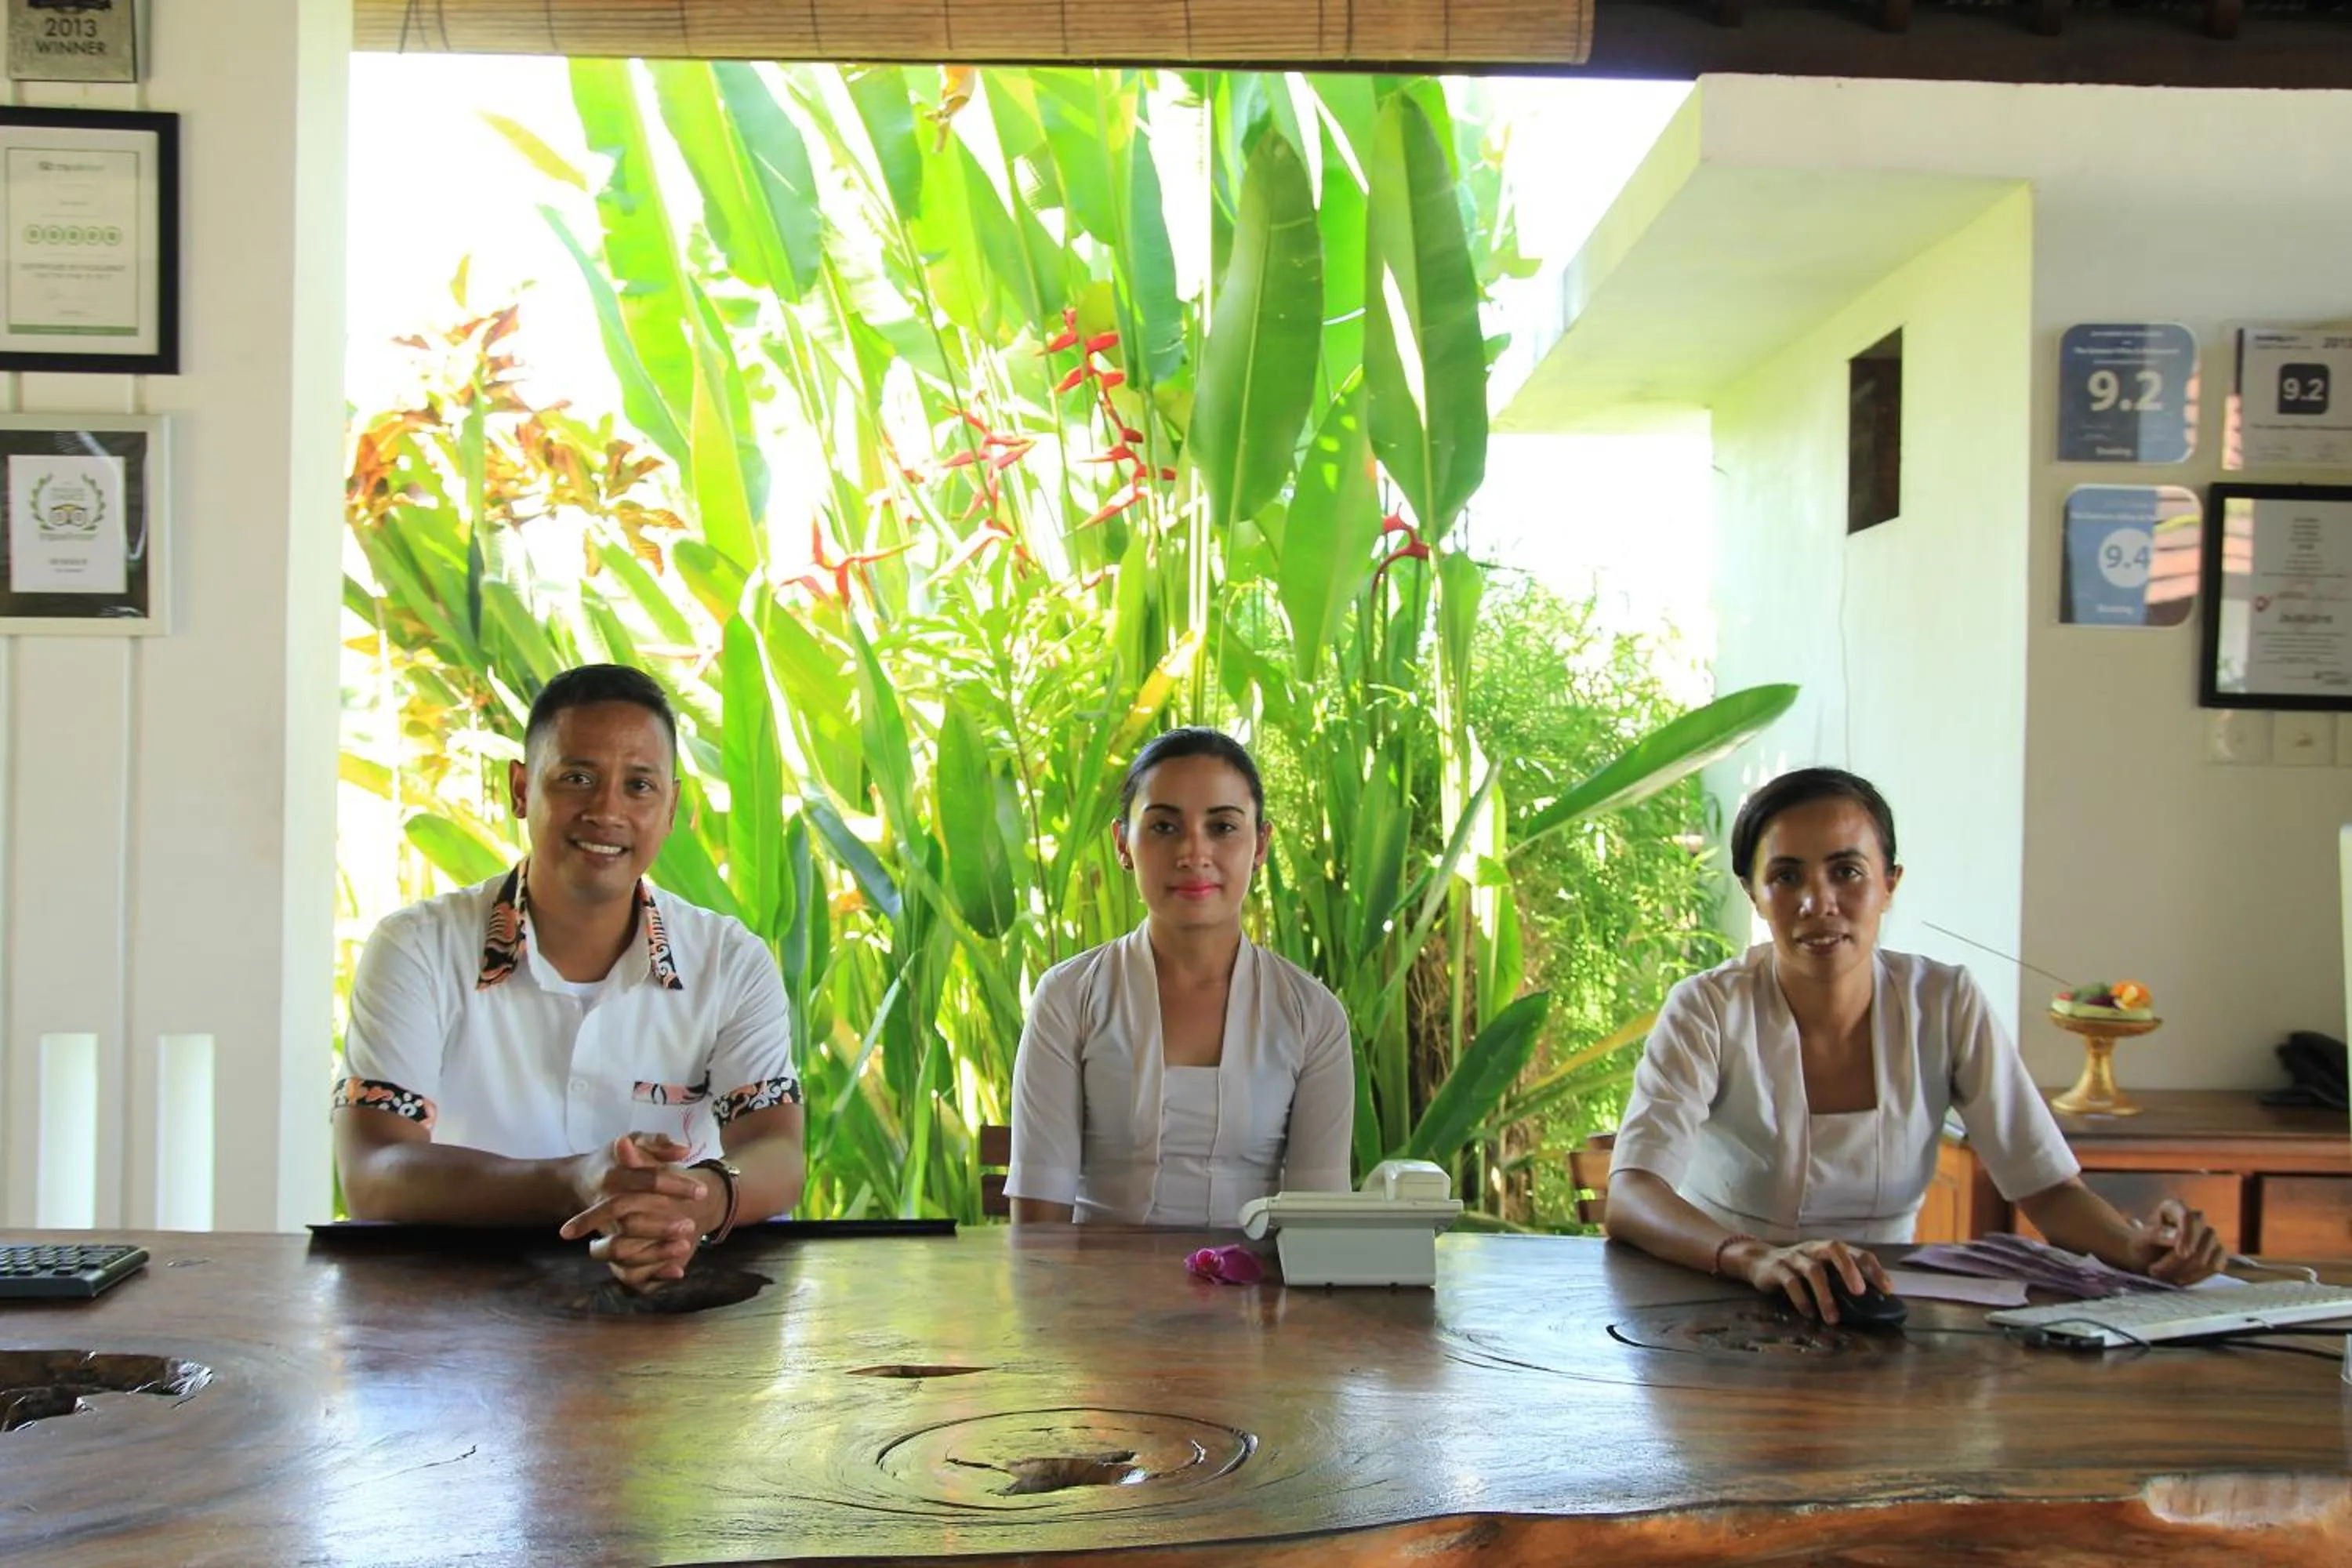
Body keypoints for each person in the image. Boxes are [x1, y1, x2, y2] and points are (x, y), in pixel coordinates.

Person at [1606, 767, 2223, 1319]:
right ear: (1753, 893)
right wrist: (1755, 1259)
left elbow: (2048, 1189)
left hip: (1885, 1309)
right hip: (1722, 1299)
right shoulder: (1709, 1008)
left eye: (1847, 872)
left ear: (1890, 883)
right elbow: (1632, 1196)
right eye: (1786, 877)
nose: (1819, 903)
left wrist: (2137, 1248)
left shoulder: (1944, 1002)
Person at [334, 664, 806, 1290]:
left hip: (672, 1305)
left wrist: (696, 1203)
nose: (607, 810)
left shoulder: (729, 962)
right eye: (577, 779)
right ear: (522, 790)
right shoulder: (419, 948)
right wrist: (576, 1182)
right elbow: (374, 1170)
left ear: (672, 809)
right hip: (458, 1323)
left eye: (639, 785)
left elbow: (776, 1148)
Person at [1005, 728, 1354, 1226]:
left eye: (1223, 828)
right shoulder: (1068, 999)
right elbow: (1039, 1229)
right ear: (1123, 844)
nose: (1194, 853)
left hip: (1262, 1300)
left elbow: (1320, 1229)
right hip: (1096, 1298)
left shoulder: (1312, 1016)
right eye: (1165, 827)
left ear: (1261, 845)